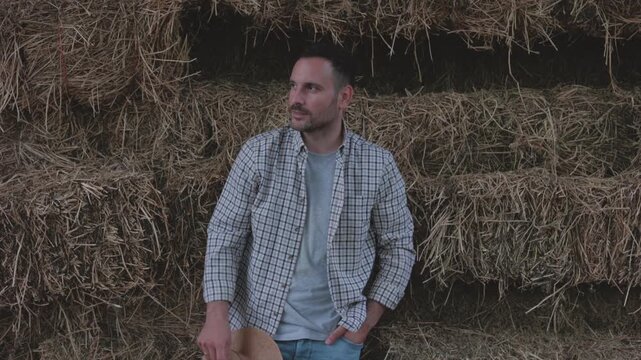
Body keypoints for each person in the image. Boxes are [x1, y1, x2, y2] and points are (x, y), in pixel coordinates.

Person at [197, 42, 415, 360]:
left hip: (334, 341)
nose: (296, 99)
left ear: (344, 97)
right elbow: (224, 236)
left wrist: (364, 325)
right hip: (255, 333)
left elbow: (399, 249)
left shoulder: (376, 165)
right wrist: (216, 318)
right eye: (293, 86)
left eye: (311, 88)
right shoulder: (259, 154)